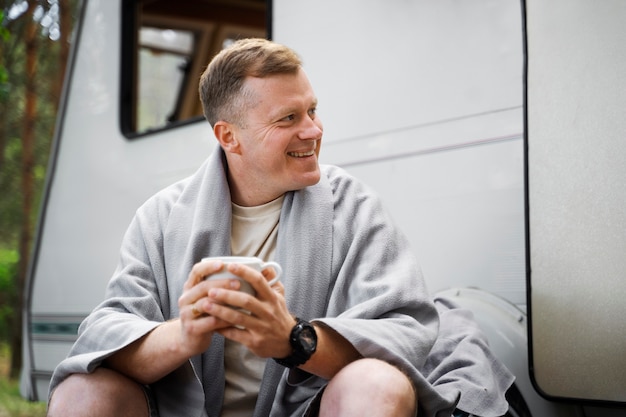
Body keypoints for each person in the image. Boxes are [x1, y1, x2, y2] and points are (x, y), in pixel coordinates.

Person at [47, 38, 512, 417]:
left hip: (309, 409)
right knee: (82, 394)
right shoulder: (161, 217)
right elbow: (105, 334)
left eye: (312, 110)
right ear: (229, 136)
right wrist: (184, 335)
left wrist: (293, 340)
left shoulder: (354, 206)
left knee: (377, 385)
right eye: (289, 118)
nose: (313, 130)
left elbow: (405, 329)